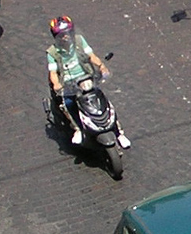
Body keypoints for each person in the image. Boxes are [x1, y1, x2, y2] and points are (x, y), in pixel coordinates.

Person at [47, 15, 130, 148]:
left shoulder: (79, 41)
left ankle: (119, 133)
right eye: (61, 35)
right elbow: (53, 72)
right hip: (70, 84)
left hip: (86, 78)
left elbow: (91, 56)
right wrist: (57, 84)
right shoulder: (52, 53)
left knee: (104, 102)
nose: (65, 37)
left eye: (67, 33)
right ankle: (78, 129)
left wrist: (102, 67)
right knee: (69, 104)